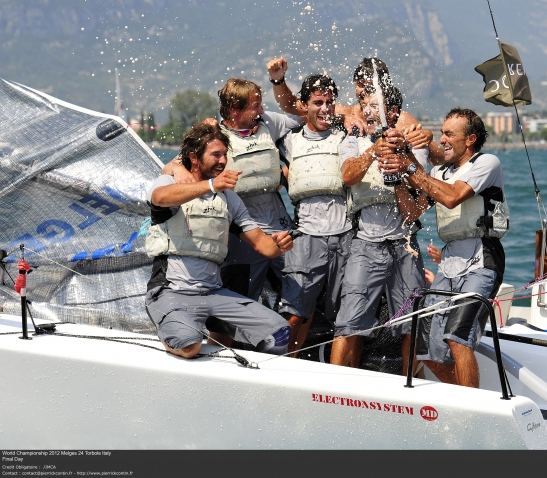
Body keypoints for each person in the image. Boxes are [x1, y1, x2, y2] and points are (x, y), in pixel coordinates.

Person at [144, 123, 293, 358]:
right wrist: (210, 185)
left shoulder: (230, 200)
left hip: (214, 294)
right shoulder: (169, 183)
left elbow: (262, 244)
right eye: (216, 155)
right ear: (194, 158)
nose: (223, 161)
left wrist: (279, 244)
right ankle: (172, 333)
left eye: (225, 155)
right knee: (189, 345)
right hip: (171, 291)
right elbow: (159, 198)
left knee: (278, 334)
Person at [400, 107, 509, 388]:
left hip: (482, 258)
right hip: (449, 263)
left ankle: (472, 414)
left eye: (449, 134)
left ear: (470, 139)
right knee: (426, 349)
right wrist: (400, 165)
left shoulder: (487, 163)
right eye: (442, 133)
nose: (443, 139)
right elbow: (413, 211)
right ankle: (462, 397)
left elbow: (452, 197)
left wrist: (412, 167)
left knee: (456, 337)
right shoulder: (438, 172)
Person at [329, 85, 429, 371]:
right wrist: (375, 151)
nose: (368, 111)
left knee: (412, 321)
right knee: (349, 321)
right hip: (366, 244)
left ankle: (410, 383)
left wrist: (399, 168)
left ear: (393, 113)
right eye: (366, 106)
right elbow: (348, 176)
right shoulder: (353, 140)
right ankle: (335, 385)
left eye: (377, 106)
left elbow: (417, 207)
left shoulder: (414, 145)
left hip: (404, 245)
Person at [267, 73, 353, 357]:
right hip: (306, 237)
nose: (325, 108)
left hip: (346, 237)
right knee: (295, 314)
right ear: (304, 106)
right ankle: (285, 366)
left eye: (330, 102)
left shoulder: (347, 138)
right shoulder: (289, 141)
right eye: (318, 102)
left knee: (347, 317)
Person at [267, 56, 445, 166]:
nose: (364, 91)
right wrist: (278, 80)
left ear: (383, 87)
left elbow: (439, 160)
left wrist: (427, 140)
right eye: (360, 85)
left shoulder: (400, 119)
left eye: (370, 86)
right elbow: (292, 106)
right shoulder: (342, 112)